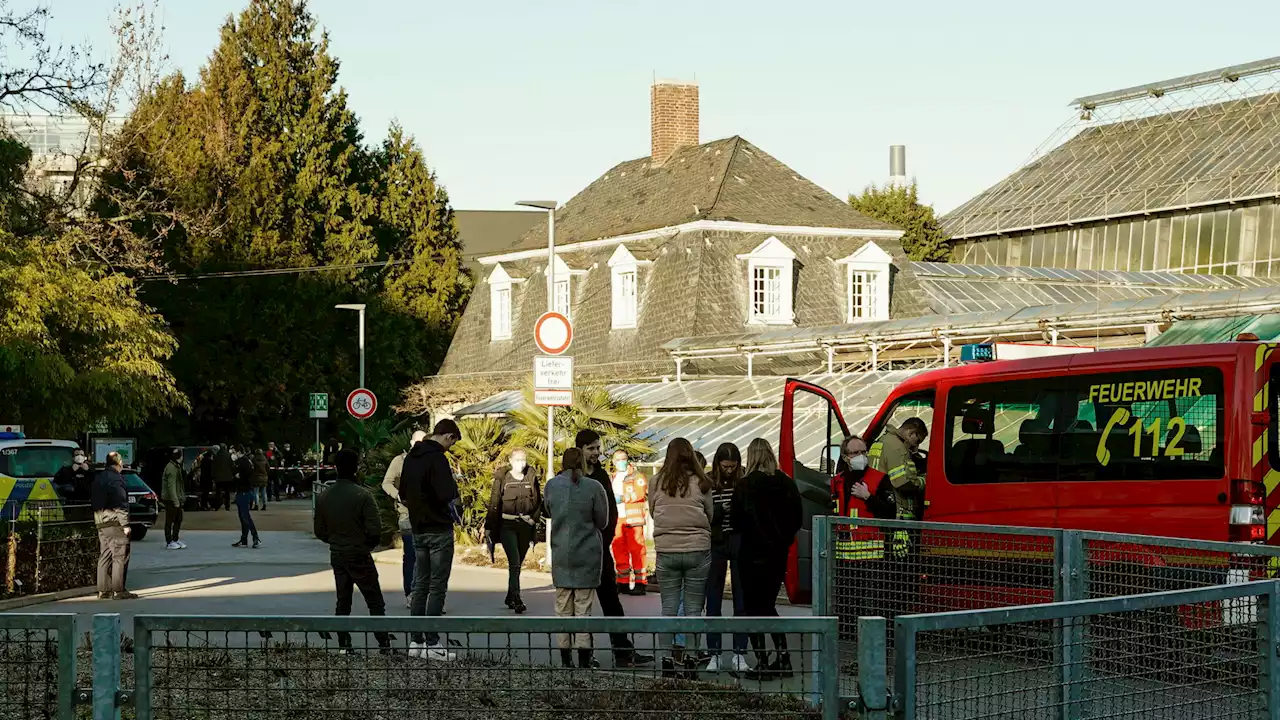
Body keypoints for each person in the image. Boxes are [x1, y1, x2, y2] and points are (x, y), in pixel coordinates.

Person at [577, 429, 653, 668]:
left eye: (598, 448)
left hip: (599, 549)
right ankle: (585, 655)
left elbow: (609, 511)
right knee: (582, 606)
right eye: (591, 448)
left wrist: (604, 538)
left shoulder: (601, 476)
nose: (596, 453)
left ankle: (623, 652)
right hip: (579, 552)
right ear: (580, 449)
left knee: (611, 602)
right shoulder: (572, 476)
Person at [732, 438, 802, 680]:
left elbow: (735, 521)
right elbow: (798, 520)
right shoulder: (787, 484)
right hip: (777, 554)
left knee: (754, 609)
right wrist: (782, 540)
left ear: (751, 457)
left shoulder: (744, 486)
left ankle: (761, 661)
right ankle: (783, 657)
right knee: (769, 605)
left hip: (751, 554)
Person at [649, 437, 714, 678]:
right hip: (698, 551)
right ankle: (690, 660)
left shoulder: (656, 482)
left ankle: (666, 660)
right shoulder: (702, 483)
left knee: (668, 608)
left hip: (667, 550)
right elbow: (710, 514)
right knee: (694, 610)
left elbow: (653, 512)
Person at [315, 449, 390, 653]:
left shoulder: (323, 496)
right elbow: (375, 529)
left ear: (336, 467)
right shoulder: (362, 495)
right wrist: (366, 545)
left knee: (343, 600)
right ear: (356, 468)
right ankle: (383, 642)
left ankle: (344, 644)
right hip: (359, 552)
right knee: (374, 600)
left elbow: (319, 530)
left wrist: (335, 540)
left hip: (337, 553)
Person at [402, 419, 463, 661]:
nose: (450, 447)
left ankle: (415, 641)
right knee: (437, 586)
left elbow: (404, 493)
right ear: (447, 436)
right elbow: (446, 493)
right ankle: (433, 642)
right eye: (452, 442)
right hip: (438, 528)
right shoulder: (438, 458)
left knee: (420, 585)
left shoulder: (410, 457)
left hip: (418, 528)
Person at [544, 447, 609, 669]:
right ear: (582, 462)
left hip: (561, 553)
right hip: (588, 554)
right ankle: (584, 658)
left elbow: (548, 510)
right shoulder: (594, 487)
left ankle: (565, 659)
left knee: (562, 607)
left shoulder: (552, 485)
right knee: (584, 608)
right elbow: (602, 521)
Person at [704, 442, 748, 674]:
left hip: (739, 539)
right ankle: (715, 653)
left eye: (733, 466)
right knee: (714, 598)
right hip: (716, 541)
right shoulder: (708, 481)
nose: (729, 471)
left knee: (742, 599)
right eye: (725, 466)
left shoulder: (744, 479)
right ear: (718, 464)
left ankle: (740, 653)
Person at [487, 447, 541, 614]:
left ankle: (510, 595)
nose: (521, 464)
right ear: (511, 461)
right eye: (518, 460)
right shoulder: (503, 478)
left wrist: (533, 518)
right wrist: (489, 527)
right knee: (515, 562)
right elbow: (494, 502)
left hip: (525, 525)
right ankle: (517, 598)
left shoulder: (530, 477)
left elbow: (539, 500)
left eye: (524, 460)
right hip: (507, 525)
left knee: (519, 562)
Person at [868, 418, 928, 558]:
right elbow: (902, 484)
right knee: (901, 562)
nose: (917, 447)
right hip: (898, 515)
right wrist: (923, 481)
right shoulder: (897, 448)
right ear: (910, 432)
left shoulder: (883, 440)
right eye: (917, 441)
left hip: (883, 508)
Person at [383, 429, 428, 608]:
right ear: (411, 443)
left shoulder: (431, 462)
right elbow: (387, 482)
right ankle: (410, 593)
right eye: (417, 442)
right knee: (411, 555)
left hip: (427, 515)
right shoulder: (399, 461)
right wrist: (398, 496)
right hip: (407, 514)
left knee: (428, 556)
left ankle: (428, 595)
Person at [92, 452, 137, 600]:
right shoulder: (116, 479)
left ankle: (103, 590)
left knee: (104, 555)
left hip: (101, 522)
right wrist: (125, 524)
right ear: (119, 463)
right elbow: (120, 503)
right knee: (120, 555)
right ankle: (119, 590)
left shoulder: (98, 478)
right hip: (114, 522)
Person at [610, 449, 648, 596]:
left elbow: (640, 493)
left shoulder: (637, 476)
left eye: (624, 458)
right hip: (617, 519)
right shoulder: (613, 478)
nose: (622, 462)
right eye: (618, 459)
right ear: (614, 462)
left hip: (633, 520)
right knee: (619, 551)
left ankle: (640, 583)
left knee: (637, 550)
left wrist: (623, 497)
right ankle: (623, 582)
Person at [232, 446, 261, 548]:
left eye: (234, 452)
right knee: (242, 516)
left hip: (244, 491)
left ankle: (255, 537)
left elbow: (239, 475)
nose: (232, 454)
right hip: (243, 491)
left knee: (245, 516)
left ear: (238, 452)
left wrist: (238, 476)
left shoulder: (242, 462)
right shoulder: (245, 461)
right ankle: (244, 539)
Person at [161, 448, 187, 550]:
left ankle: (175, 539)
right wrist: (176, 500)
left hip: (176, 497)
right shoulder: (171, 468)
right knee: (170, 520)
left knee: (178, 519)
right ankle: (169, 541)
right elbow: (171, 487)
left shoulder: (176, 466)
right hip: (171, 498)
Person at [212, 444, 234, 511]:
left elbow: (213, 467)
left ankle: (217, 506)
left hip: (218, 477)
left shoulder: (216, 456)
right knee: (227, 492)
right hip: (227, 477)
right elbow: (231, 465)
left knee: (218, 492)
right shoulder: (228, 455)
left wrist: (213, 476)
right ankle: (227, 506)